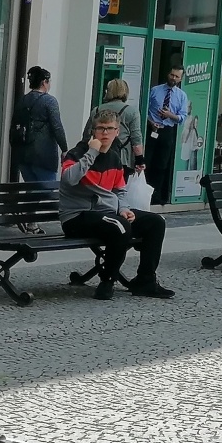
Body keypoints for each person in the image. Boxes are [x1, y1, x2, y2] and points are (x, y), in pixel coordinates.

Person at [58, 108, 173, 301]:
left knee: (156, 222)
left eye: (109, 129)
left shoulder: (114, 157)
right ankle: (107, 281)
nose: (105, 133)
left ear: (117, 132)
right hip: (77, 216)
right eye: (100, 129)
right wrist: (91, 152)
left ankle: (145, 281)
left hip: (107, 214)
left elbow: (119, 191)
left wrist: (124, 208)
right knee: (120, 226)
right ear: (93, 131)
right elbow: (69, 179)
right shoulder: (76, 154)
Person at [10, 66, 66, 184]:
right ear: (44, 82)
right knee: (48, 194)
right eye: (49, 81)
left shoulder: (22, 100)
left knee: (31, 195)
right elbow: (57, 127)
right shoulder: (50, 101)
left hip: (23, 156)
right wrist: (64, 149)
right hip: (44, 156)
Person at [145, 64, 189, 206]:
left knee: (162, 164)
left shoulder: (181, 96)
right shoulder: (155, 90)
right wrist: (151, 122)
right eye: (172, 75)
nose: (173, 78)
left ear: (181, 79)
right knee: (147, 162)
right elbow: (144, 108)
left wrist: (170, 115)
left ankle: (157, 196)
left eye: (177, 76)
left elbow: (182, 118)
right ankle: (143, 193)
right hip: (152, 129)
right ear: (168, 74)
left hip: (167, 130)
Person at [85, 78, 146, 172]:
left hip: (97, 156)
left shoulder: (96, 110)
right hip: (122, 158)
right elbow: (136, 139)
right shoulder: (131, 111)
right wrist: (140, 161)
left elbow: (86, 135)